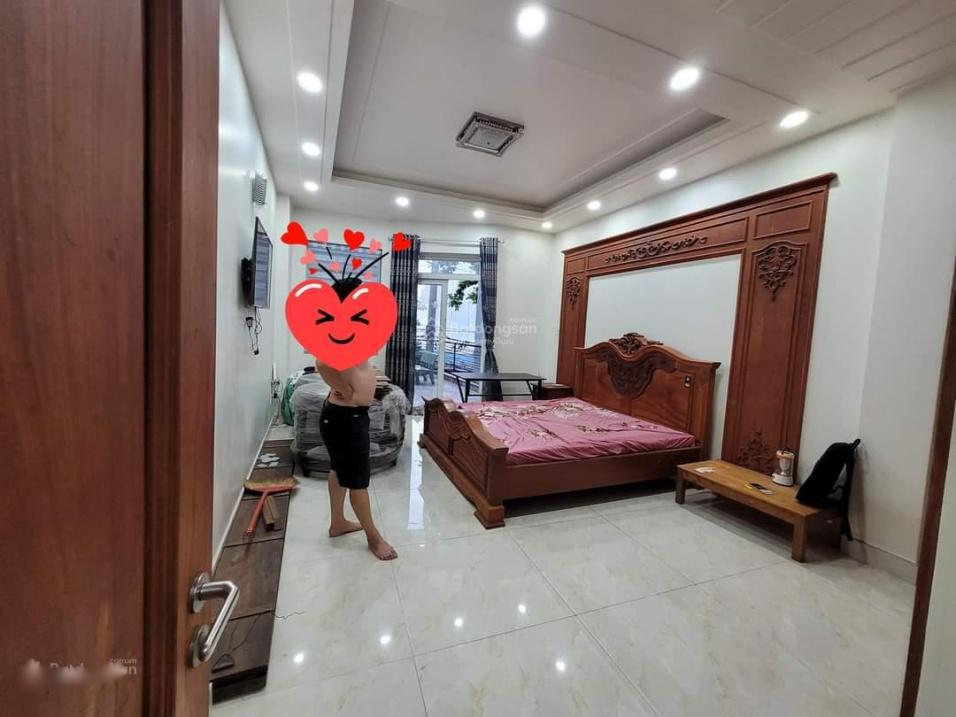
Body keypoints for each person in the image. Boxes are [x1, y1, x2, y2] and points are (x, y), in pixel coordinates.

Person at [315, 357, 398, 561]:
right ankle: (374, 539)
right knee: (357, 481)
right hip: (346, 418)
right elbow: (323, 363)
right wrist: (343, 388)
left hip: (345, 415)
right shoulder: (345, 342)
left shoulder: (355, 344)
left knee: (338, 469)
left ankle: (338, 523)